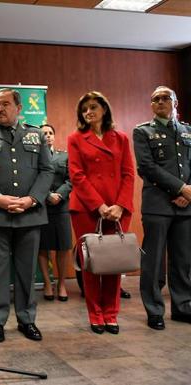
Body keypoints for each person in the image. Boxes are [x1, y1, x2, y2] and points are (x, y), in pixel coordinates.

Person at [0, 88, 53, 343]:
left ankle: (27, 319)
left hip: (29, 214)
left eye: (5, 104)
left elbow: (47, 170)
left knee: (26, 270)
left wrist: (31, 199)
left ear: (19, 108)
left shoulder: (36, 134)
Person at [68, 91, 134, 334]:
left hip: (118, 210)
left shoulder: (121, 138)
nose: (89, 112)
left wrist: (119, 206)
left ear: (104, 109)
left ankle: (111, 314)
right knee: (92, 263)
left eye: (93, 107)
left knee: (114, 263)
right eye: (84, 109)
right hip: (87, 209)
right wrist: (99, 206)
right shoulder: (75, 138)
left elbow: (128, 174)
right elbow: (77, 175)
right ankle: (95, 314)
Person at [134, 86, 191, 330]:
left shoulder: (188, 131)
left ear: (175, 103)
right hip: (157, 205)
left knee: (183, 260)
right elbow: (147, 167)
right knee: (154, 262)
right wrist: (180, 188)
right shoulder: (143, 131)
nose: (160, 102)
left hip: (186, 205)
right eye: (155, 99)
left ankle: (182, 307)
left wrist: (188, 193)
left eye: (165, 98)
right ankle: (155, 310)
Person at [37, 124, 72, 302]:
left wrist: (60, 194)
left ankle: (62, 284)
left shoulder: (64, 155)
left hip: (61, 206)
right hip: (42, 206)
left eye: (51, 133)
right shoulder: (34, 156)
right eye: (44, 133)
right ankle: (47, 283)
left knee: (63, 246)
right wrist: (47, 195)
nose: (48, 136)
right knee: (43, 247)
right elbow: (32, 179)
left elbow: (71, 179)